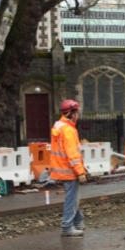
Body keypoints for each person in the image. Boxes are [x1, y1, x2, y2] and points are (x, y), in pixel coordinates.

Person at [50, 99, 88, 237]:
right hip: (69, 171)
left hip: (61, 170)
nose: (77, 116)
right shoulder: (69, 130)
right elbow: (72, 154)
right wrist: (80, 172)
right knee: (72, 200)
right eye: (77, 113)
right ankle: (67, 227)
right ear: (72, 114)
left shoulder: (59, 127)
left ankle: (78, 222)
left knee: (72, 198)